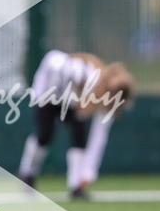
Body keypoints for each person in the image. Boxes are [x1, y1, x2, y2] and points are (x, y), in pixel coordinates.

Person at [17, 49, 133, 200]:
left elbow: (99, 135)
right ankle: (27, 173)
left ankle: (76, 185)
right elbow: (52, 61)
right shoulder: (84, 75)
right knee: (45, 135)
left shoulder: (98, 92)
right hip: (47, 93)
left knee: (79, 136)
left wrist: (88, 173)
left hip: (69, 100)